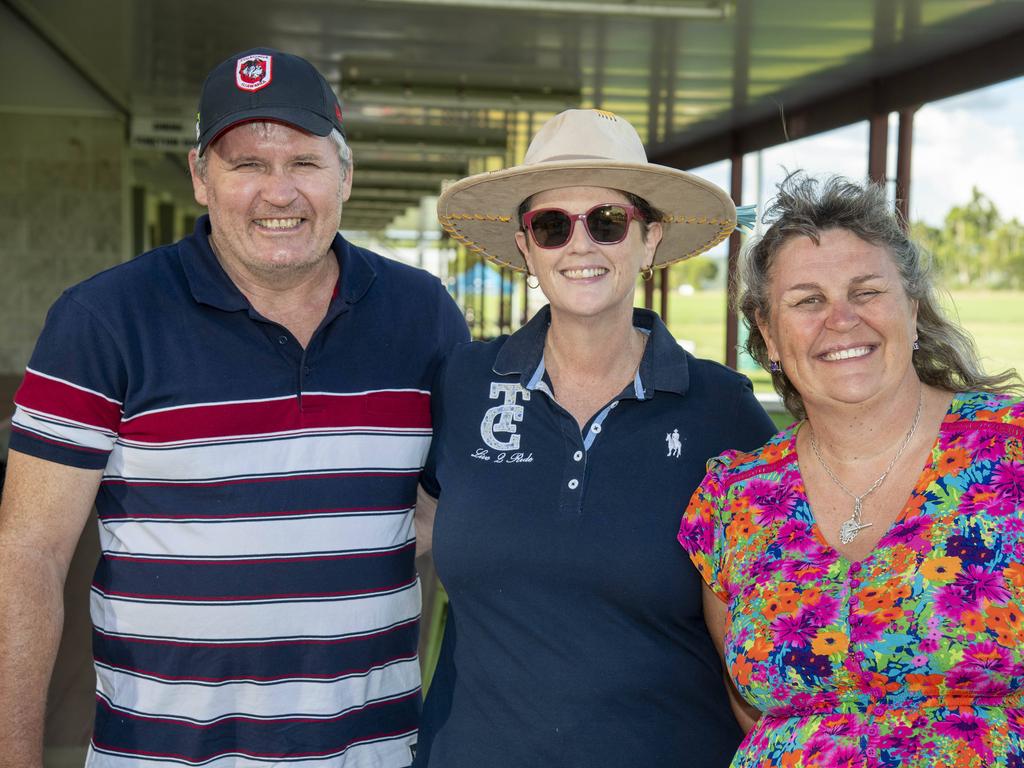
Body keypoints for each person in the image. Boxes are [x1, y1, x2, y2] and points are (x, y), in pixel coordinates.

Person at [0, 47, 468, 767]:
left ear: (344, 175)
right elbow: (27, 555)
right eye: (247, 163)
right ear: (199, 178)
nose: (278, 192)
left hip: (370, 753)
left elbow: (446, 517)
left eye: (304, 163)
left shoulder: (422, 317)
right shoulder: (103, 320)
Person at [413, 109, 777, 767]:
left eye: (607, 223)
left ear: (649, 240)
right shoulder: (463, 382)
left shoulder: (721, 409)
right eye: (552, 226)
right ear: (526, 248)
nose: (580, 245)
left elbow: (782, 604)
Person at [678, 174, 1024, 767]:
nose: (841, 320)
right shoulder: (735, 498)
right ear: (768, 333)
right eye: (807, 300)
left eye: (866, 291)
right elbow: (754, 708)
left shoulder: (1009, 454)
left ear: (912, 311)